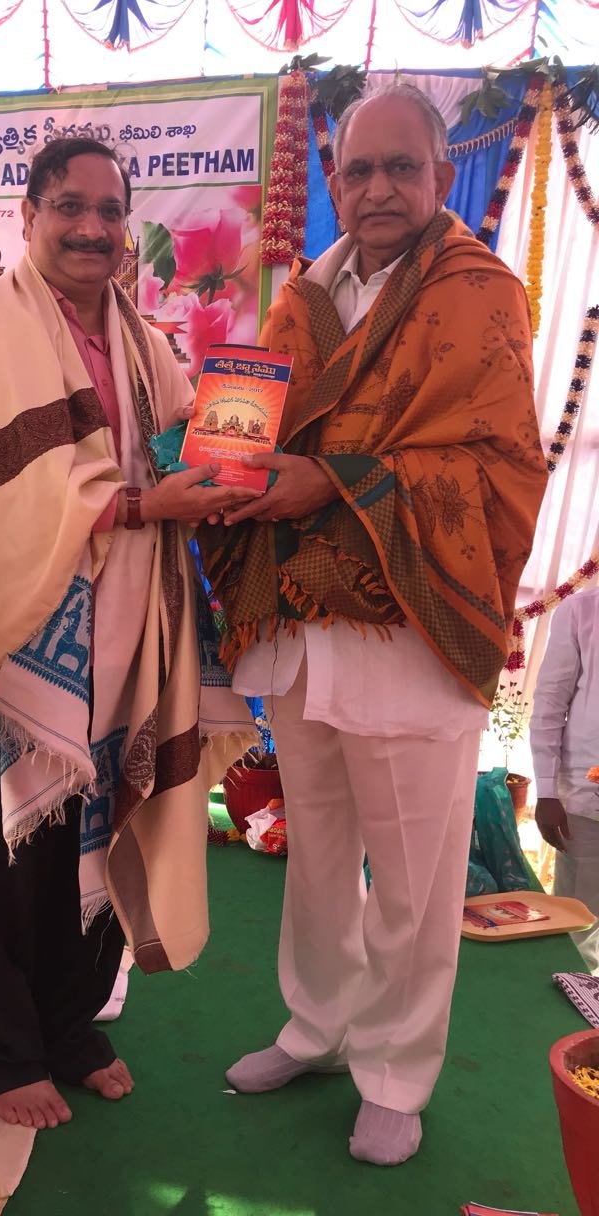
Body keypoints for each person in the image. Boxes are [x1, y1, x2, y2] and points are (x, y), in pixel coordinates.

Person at [197, 84, 547, 1165]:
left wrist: (331, 482)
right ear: (333, 180)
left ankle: (398, 1068)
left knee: (414, 870)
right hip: (305, 627)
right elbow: (242, 428)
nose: (380, 188)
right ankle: (318, 1025)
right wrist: (213, 462)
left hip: (411, 631)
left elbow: (498, 467)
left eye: (403, 168)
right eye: (359, 170)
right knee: (317, 856)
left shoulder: (479, 294)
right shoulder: (306, 292)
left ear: (443, 179)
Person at [0, 136, 256, 1131]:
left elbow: (188, 442)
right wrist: (144, 506)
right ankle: (0, 1051)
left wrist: (228, 465)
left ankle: (68, 1024)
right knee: (8, 848)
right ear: (27, 214)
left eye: (109, 209)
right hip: (14, 629)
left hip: (126, 628)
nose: (92, 227)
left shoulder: (144, 343)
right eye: (70, 205)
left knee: (92, 832)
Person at [531, 588, 599, 973]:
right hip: (589, 800)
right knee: (580, 925)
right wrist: (545, 790)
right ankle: (570, 1020)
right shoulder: (581, 612)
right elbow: (550, 705)